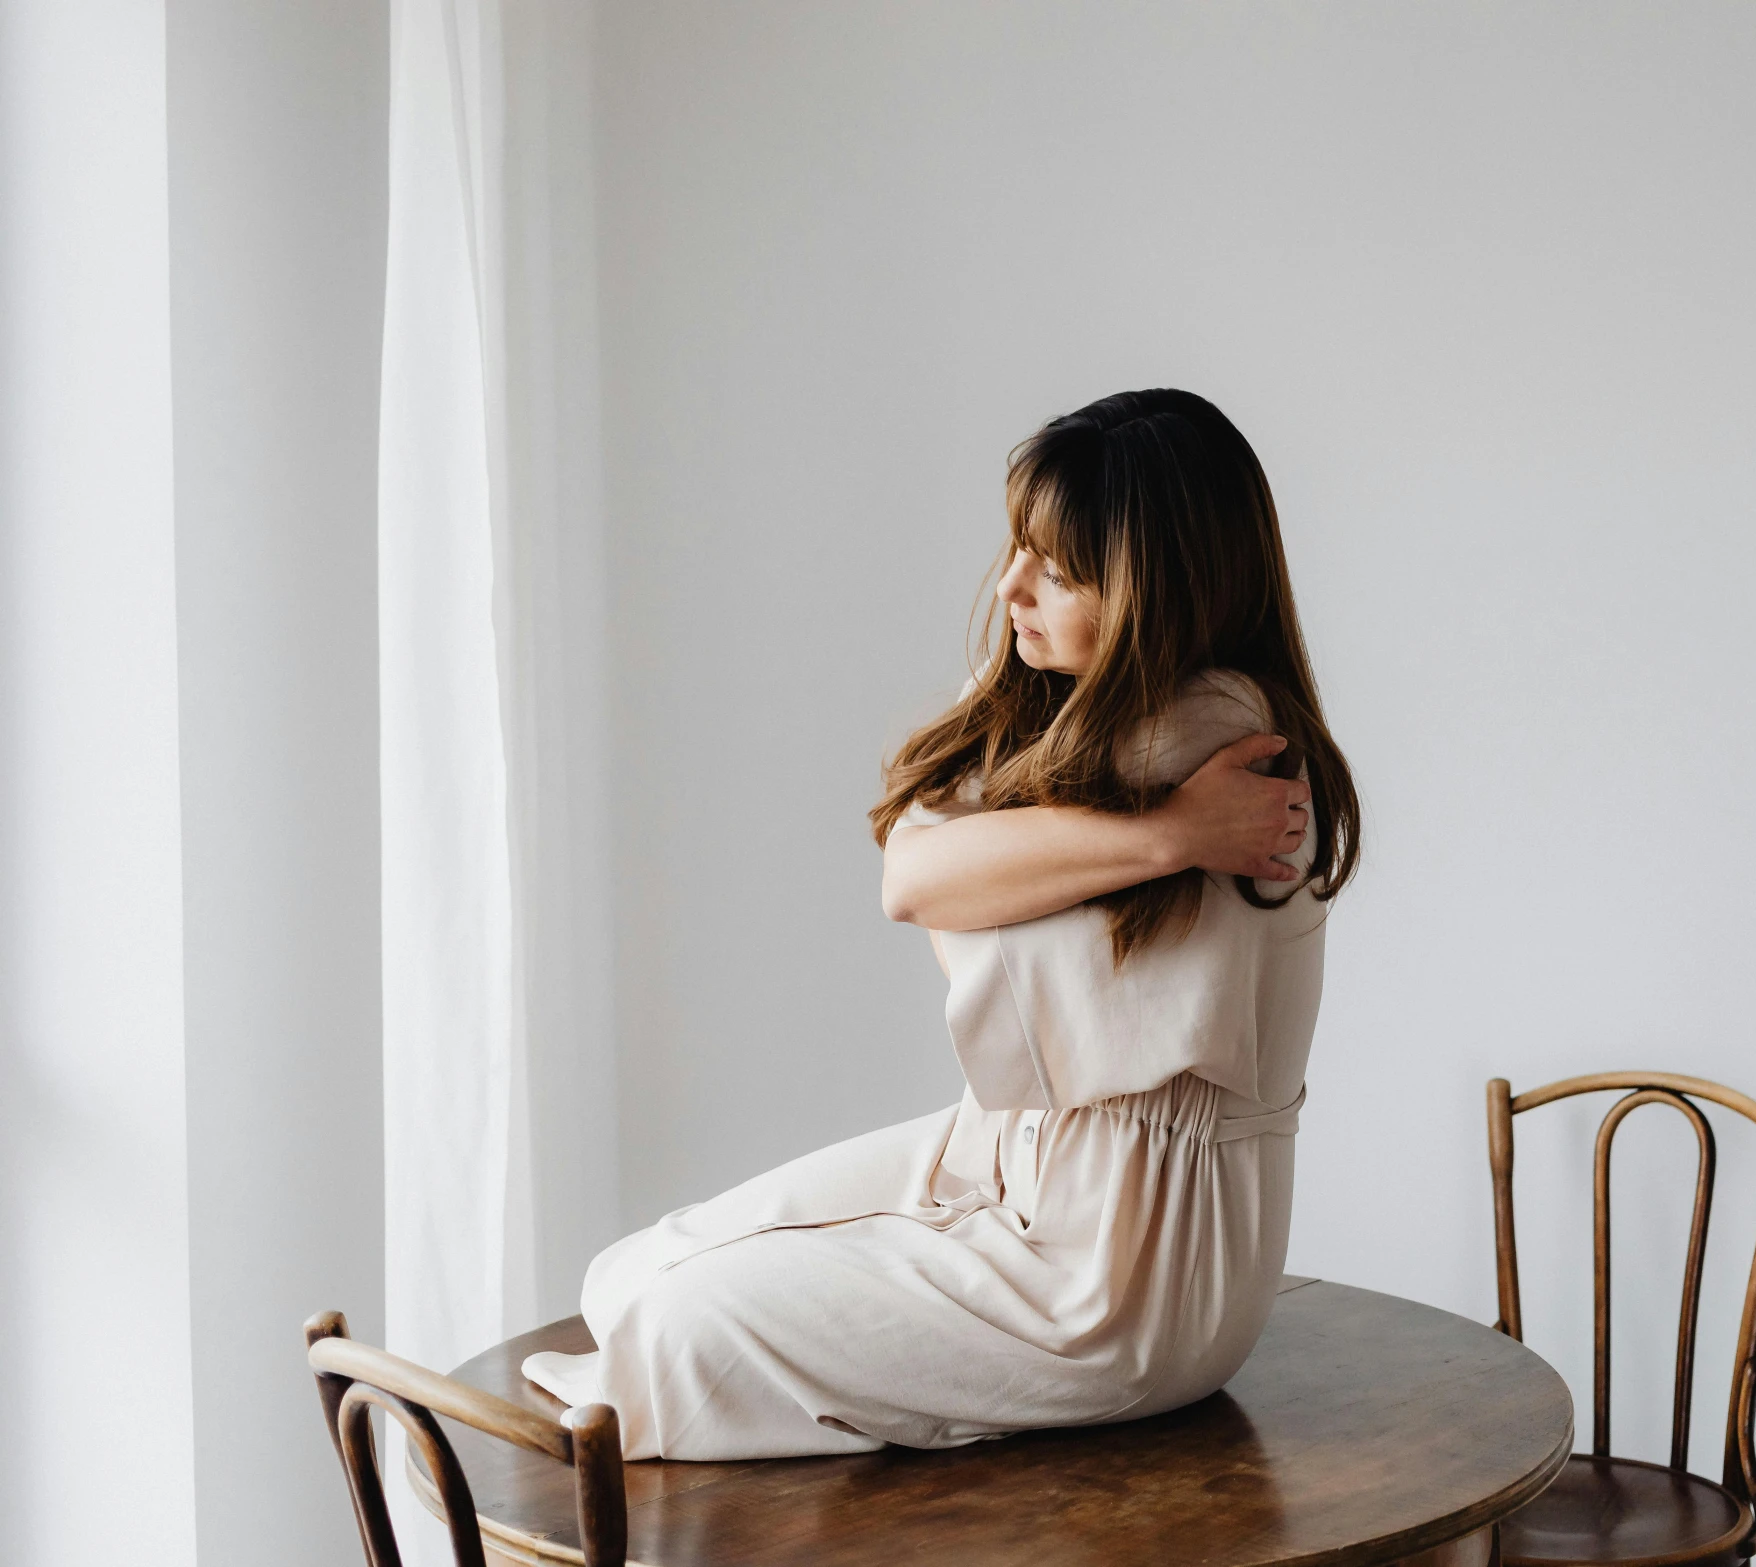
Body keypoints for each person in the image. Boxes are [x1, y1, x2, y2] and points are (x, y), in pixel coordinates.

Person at [523, 389, 1360, 1460]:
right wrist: (1167, 838)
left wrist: (1154, 823)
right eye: (1016, 547)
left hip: (1128, 1271)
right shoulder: (1091, 724)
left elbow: (926, 874)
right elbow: (916, 869)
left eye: (1056, 569)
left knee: (672, 1327)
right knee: (630, 1275)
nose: (1010, 586)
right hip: (1006, 1157)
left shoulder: (1212, 732)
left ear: (1165, 591)